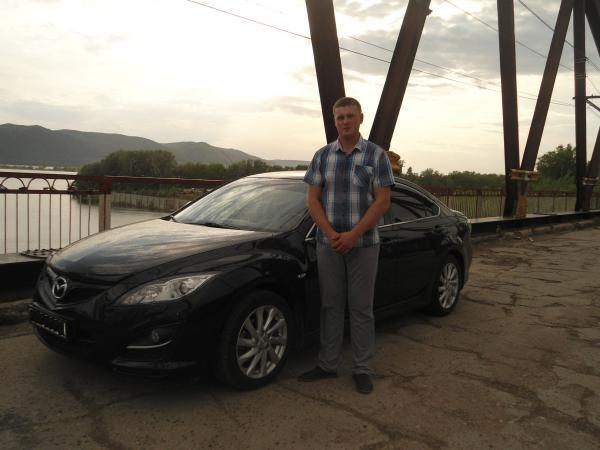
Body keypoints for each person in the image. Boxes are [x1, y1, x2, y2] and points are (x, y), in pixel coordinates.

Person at [298, 96, 395, 394]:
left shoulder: (376, 156)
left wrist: (353, 235)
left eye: (350, 116)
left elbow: (382, 201)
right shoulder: (322, 156)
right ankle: (327, 365)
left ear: (361, 118)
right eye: (340, 117)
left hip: (364, 244)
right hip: (328, 244)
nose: (345, 121)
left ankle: (362, 369)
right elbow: (313, 200)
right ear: (335, 121)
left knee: (361, 308)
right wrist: (330, 233)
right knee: (330, 305)